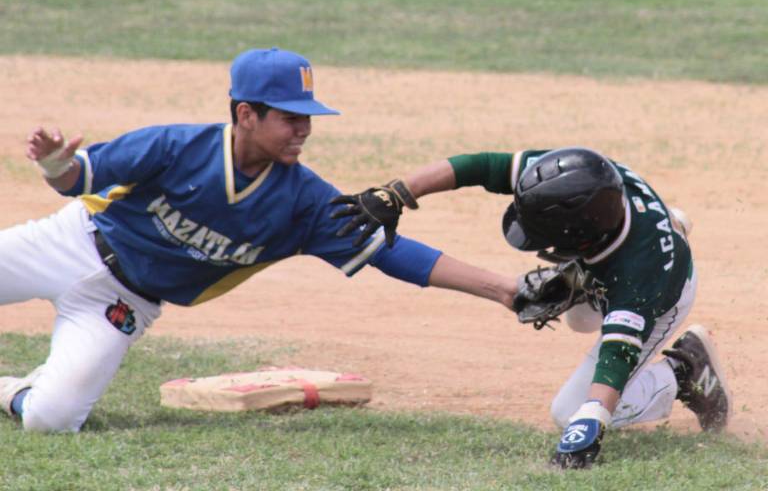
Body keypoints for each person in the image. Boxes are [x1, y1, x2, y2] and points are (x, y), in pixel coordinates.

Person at [0, 48, 522, 433]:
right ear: (246, 114)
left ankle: (16, 391)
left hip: (123, 303)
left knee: (52, 419)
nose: (304, 130)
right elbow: (77, 180)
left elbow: (393, 254)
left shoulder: (305, 202)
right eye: (289, 117)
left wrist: (501, 288)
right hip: (70, 242)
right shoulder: (174, 146)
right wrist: (53, 165)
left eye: (307, 118)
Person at [331, 147, 732, 468]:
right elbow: (485, 166)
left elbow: (617, 357)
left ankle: (685, 372)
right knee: (578, 320)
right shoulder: (584, 174)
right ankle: (655, 235)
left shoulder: (638, 277)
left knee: (568, 411)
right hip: (624, 257)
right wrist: (400, 191)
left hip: (661, 296)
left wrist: (591, 421)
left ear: (585, 239)